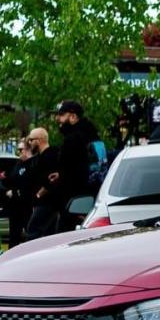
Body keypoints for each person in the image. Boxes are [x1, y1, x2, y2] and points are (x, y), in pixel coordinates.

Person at [51, 99, 101, 231]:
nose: (58, 119)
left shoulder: (73, 139)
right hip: (93, 199)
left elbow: (72, 174)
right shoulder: (92, 136)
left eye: (61, 115)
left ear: (73, 116)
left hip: (74, 204)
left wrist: (62, 177)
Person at [23, 127, 61, 242]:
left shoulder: (51, 155)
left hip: (47, 203)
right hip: (44, 203)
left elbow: (52, 180)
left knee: (32, 232)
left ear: (38, 140)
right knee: (49, 234)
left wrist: (39, 195)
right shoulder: (40, 157)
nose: (29, 143)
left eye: (31, 140)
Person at [3, 139, 35, 246]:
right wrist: (5, 180)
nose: (19, 152)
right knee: (14, 234)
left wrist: (16, 192)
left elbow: (29, 184)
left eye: (21, 150)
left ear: (28, 150)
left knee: (30, 231)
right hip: (15, 205)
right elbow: (13, 179)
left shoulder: (33, 164)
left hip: (27, 204)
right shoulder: (18, 163)